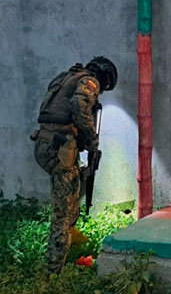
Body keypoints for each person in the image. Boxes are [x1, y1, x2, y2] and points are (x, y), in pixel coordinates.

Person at [31, 57, 117, 273]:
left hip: (45, 143)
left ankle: (69, 244)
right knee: (62, 214)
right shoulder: (89, 82)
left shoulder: (66, 77)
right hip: (59, 150)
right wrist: (92, 140)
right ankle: (53, 272)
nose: (99, 91)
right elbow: (78, 106)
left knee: (73, 194)